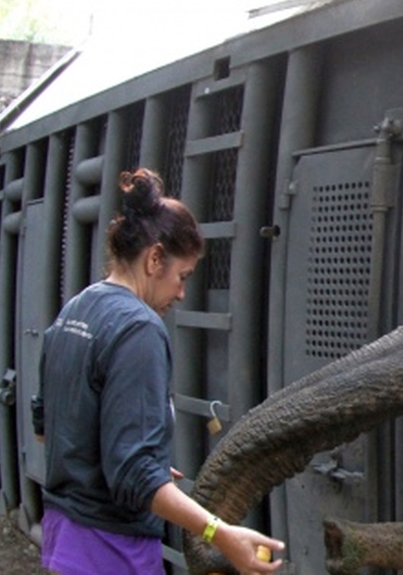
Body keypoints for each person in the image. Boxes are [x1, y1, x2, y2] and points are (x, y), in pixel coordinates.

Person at [39, 168, 285, 574]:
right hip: (111, 549)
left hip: (62, 538)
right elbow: (134, 477)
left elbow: (49, 427)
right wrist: (221, 534)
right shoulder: (139, 328)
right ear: (155, 259)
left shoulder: (75, 310)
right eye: (182, 276)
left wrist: (133, 454)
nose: (182, 293)